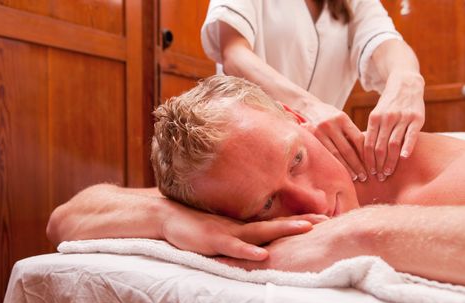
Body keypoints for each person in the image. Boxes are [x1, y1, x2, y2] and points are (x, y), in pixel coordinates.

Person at [47, 76, 465, 285]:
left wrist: (354, 235)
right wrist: (165, 217)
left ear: (300, 120)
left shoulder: (445, 178)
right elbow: (67, 217)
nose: (313, 202)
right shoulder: (230, 187)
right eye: (267, 204)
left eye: (297, 159)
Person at [200, 0, 425, 183]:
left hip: (318, 160)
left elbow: (386, 42)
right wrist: (307, 107)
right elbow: (234, 53)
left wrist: (407, 80)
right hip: (244, 151)